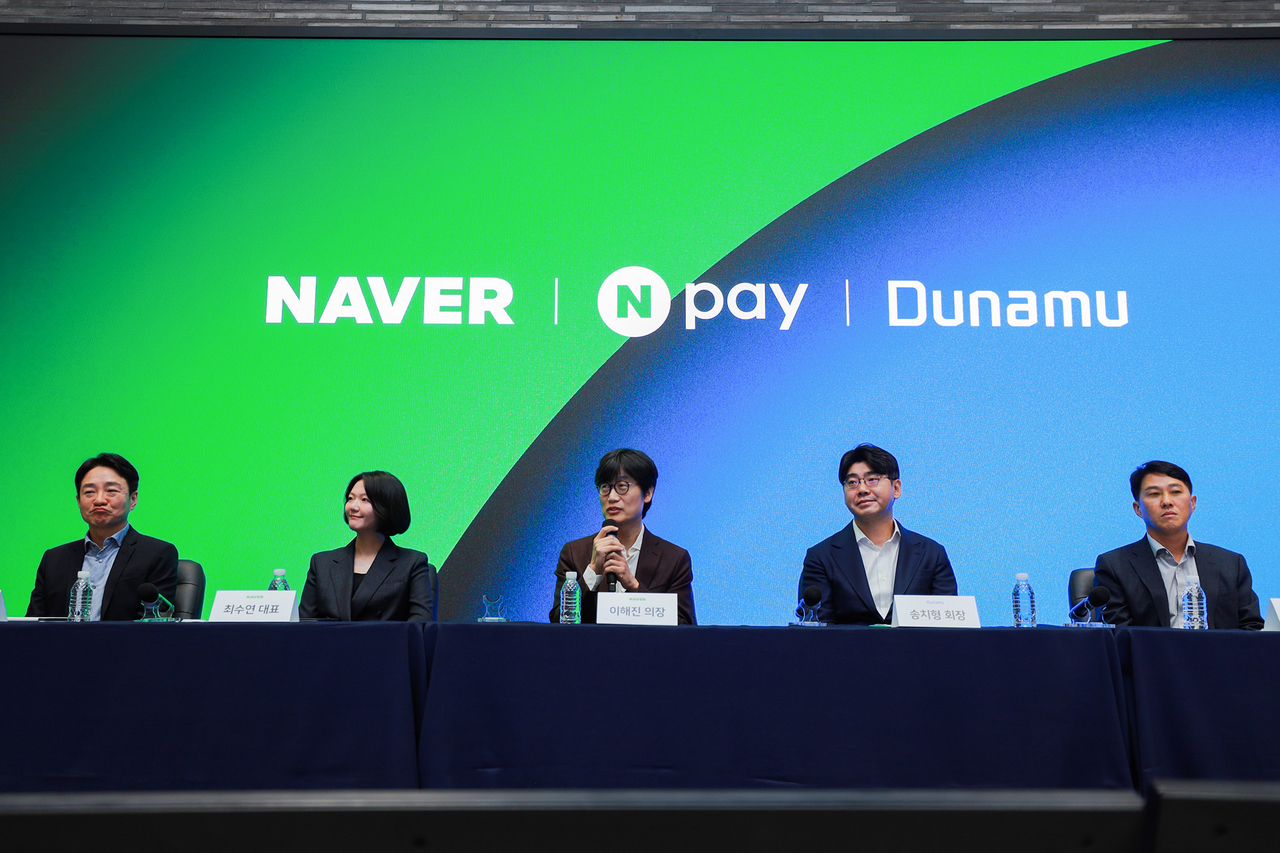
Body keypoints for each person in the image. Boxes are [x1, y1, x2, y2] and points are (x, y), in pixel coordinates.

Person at [799, 444, 956, 625]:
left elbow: (947, 627)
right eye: (852, 482)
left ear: (896, 488)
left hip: (916, 652)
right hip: (847, 652)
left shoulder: (931, 554)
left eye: (872, 479)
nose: (862, 489)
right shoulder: (821, 557)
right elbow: (817, 631)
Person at [1093, 461, 1262, 629]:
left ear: (1192, 503)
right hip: (1149, 656)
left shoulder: (1230, 564)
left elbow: (1251, 628)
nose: (1167, 501)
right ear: (1138, 509)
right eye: (1154, 494)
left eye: (1175, 492)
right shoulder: (1115, 567)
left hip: (1220, 655)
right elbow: (1118, 637)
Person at [550, 448, 696, 625]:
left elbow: (686, 629)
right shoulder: (574, 552)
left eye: (622, 487)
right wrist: (593, 571)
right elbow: (557, 625)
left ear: (648, 492)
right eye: (605, 487)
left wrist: (633, 585)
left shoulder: (674, 559)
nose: (611, 497)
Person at [27, 453, 178, 621]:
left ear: (133, 499)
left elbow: (152, 626)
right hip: (61, 646)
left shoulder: (157, 554)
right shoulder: (54, 559)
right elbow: (33, 624)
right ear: (78, 501)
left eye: (111, 491)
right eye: (89, 492)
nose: (99, 500)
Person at [300, 471, 436, 621]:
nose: (353, 506)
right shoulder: (322, 563)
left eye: (365, 500)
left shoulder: (413, 563)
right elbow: (304, 624)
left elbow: (420, 624)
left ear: (388, 506)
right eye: (350, 498)